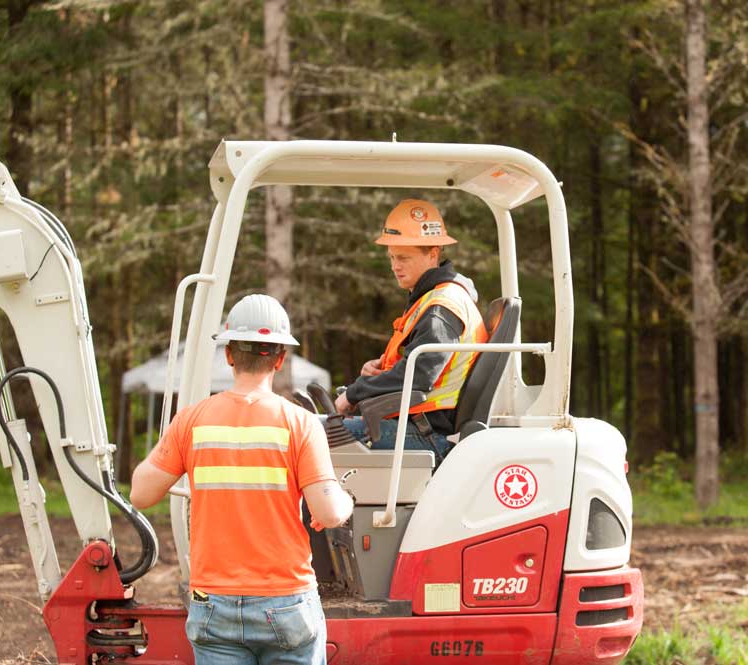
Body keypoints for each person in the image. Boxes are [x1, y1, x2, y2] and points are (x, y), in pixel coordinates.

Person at [130, 294, 353, 665]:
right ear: (280, 359)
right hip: (286, 601)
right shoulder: (300, 424)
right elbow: (329, 514)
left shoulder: (191, 421)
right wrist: (346, 500)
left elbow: (140, 493)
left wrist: (173, 448)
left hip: (213, 604)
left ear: (229, 355)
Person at [335, 199, 488, 459]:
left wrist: (355, 392)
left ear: (433, 253)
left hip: (425, 433)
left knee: (313, 436)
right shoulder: (430, 299)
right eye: (392, 257)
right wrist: (379, 373)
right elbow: (417, 365)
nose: (395, 266)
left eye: (404, 258)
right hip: (414, 425)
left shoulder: (442, 306)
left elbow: (419, 375)